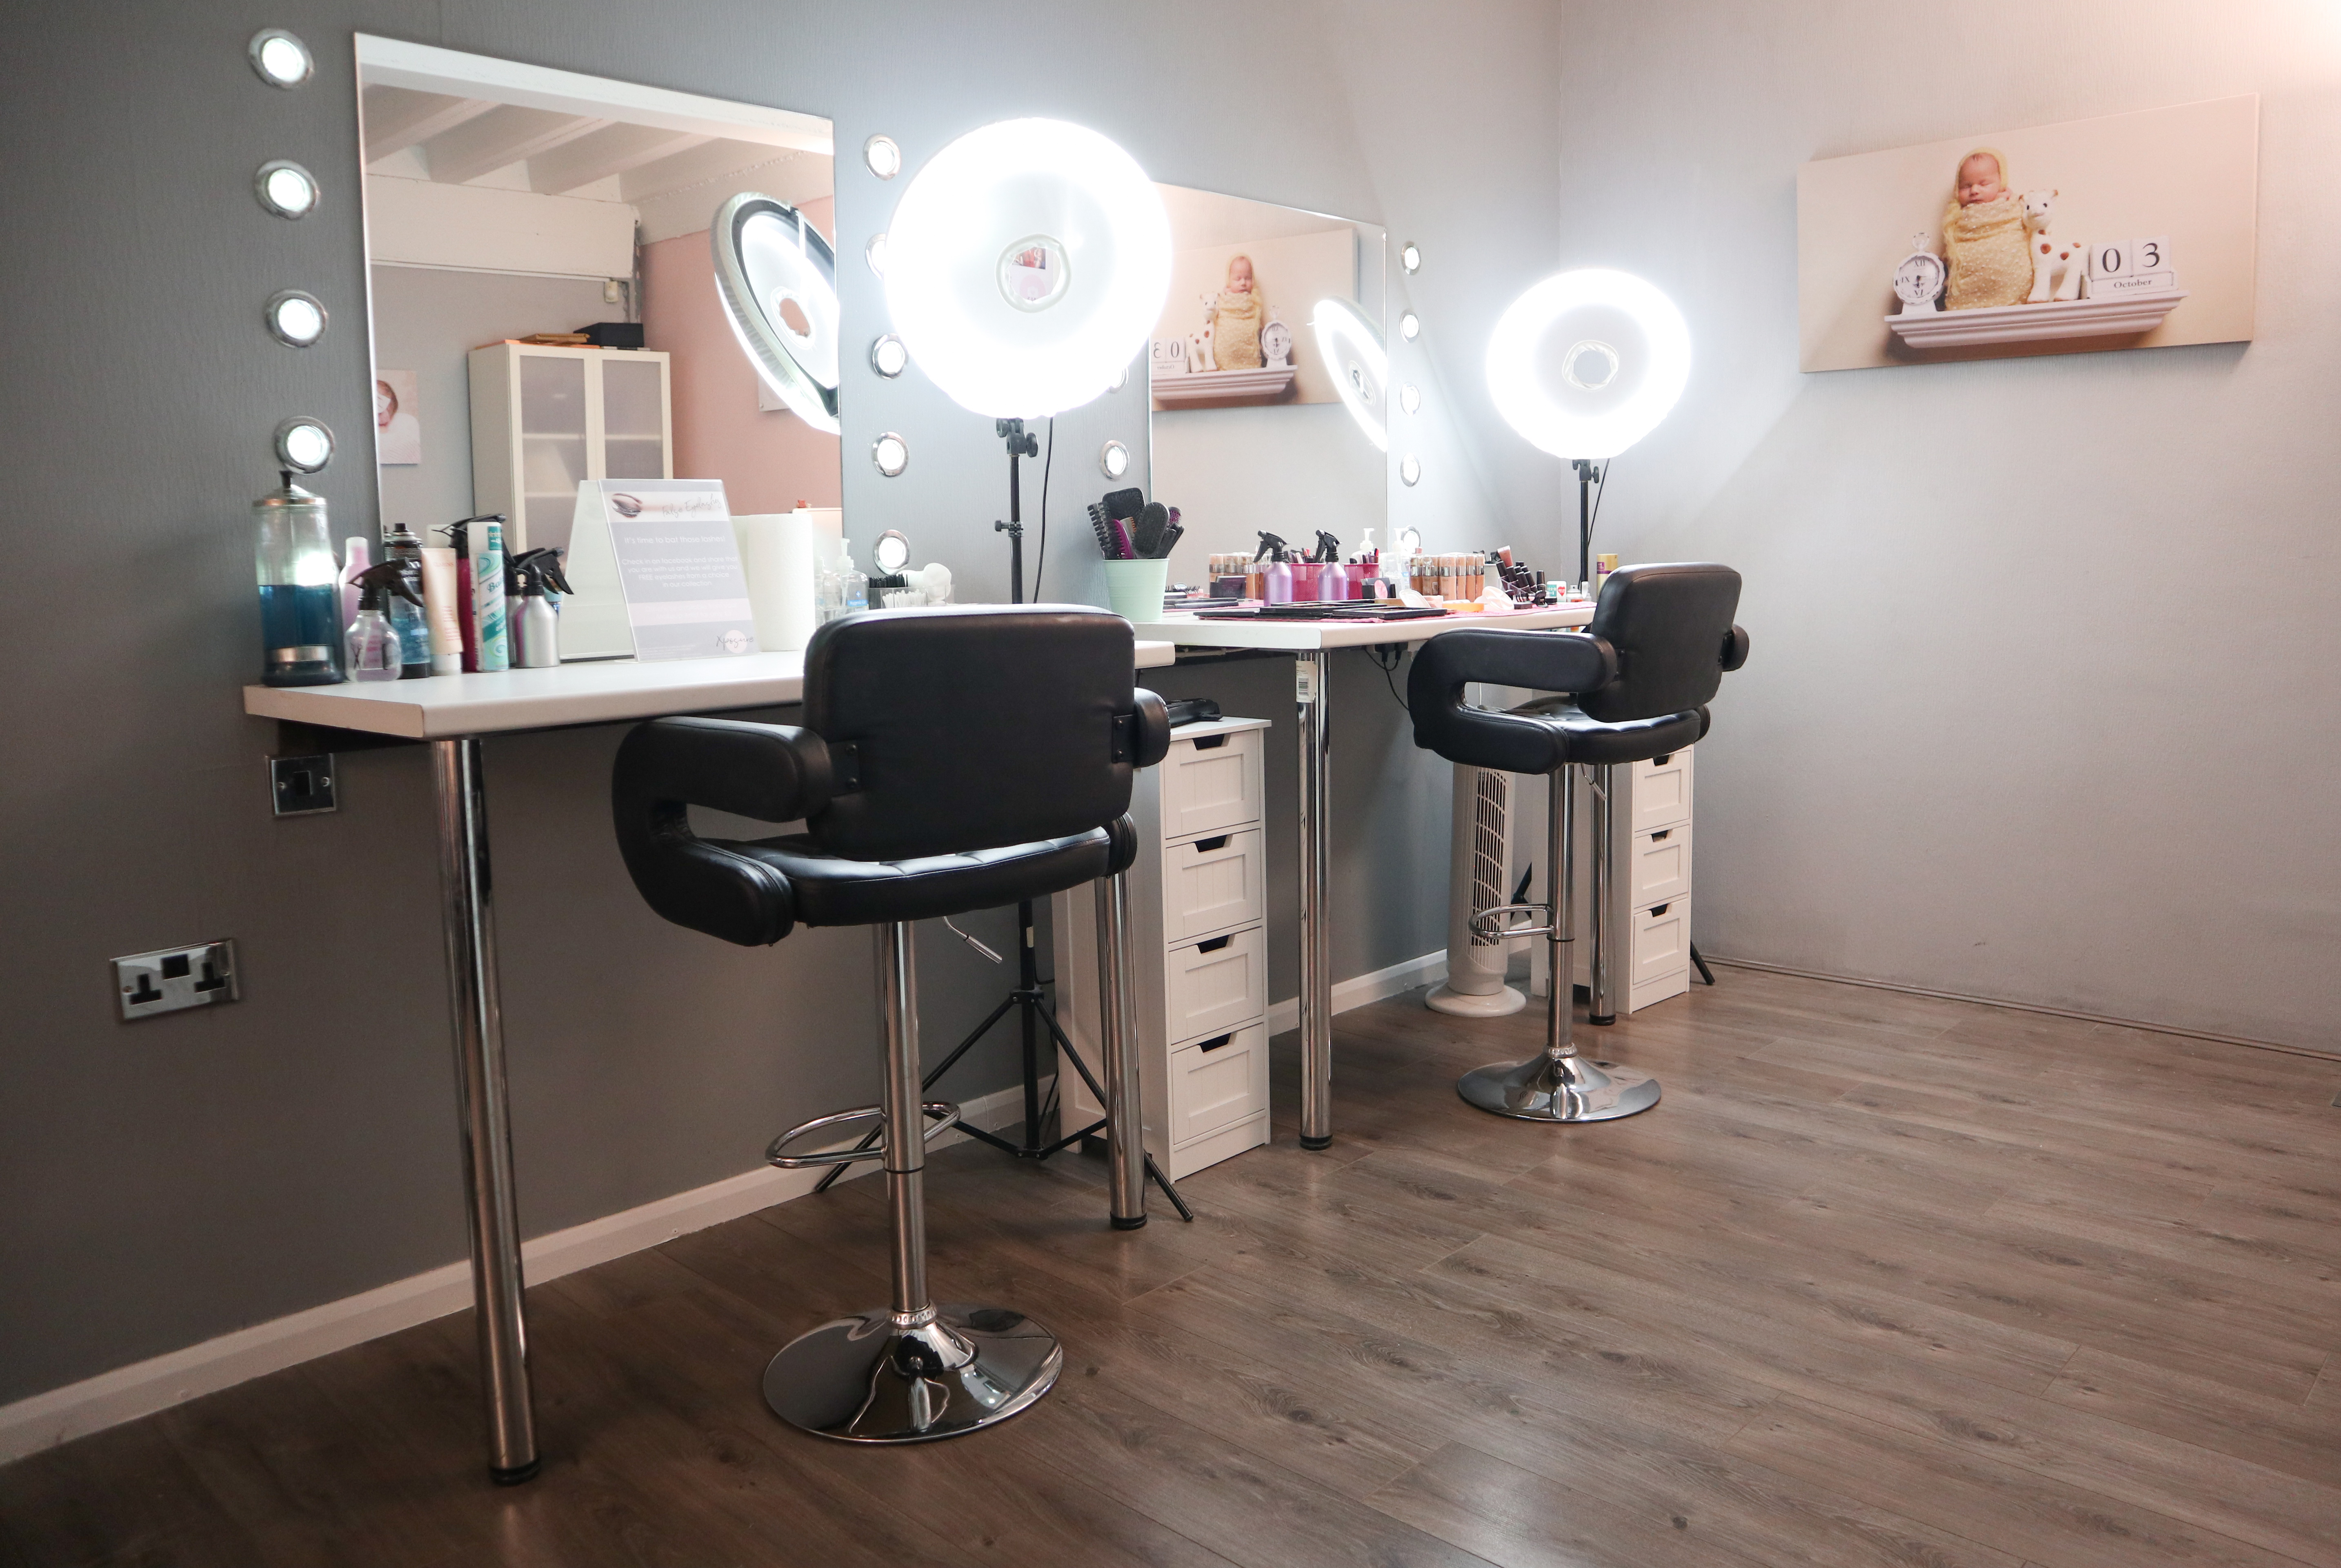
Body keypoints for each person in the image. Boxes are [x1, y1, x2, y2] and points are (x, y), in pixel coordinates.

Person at [1941, 149, 2031, 311]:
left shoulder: (2012, 208)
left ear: (2001, 184)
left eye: (1984, 184)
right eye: (1966, 186)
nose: (1974, 190)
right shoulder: (1956, 218)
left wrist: (2002, 202)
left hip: (2011, 294)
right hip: (1966, 297)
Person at [1207, 254, 1268, 369]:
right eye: (1238, 279)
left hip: (1249, 356)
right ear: (1229, 281)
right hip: (1225, 357)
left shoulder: (1254, 301)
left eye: (1248, 278)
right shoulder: (1223, 300)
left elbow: (1257, 323)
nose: (1243, 283)